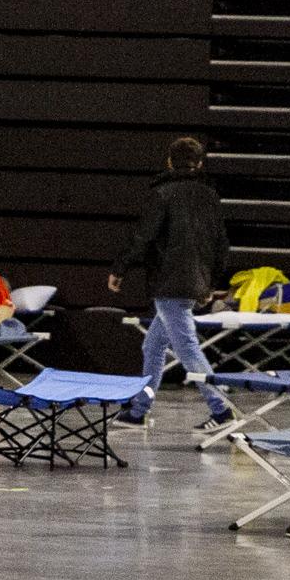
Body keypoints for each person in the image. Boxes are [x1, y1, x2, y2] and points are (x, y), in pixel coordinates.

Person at [108, 136, 236, 432]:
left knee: (187, 347)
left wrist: (120, 268)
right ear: (200, 164)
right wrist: (209, 282)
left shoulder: (162, 193)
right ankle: (139, 410)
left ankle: (221, 408)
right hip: (195, 280)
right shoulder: (210, 196)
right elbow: (222, 244)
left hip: (169, 282)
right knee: (152, 346)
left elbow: (144, 237)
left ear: (169, 161)